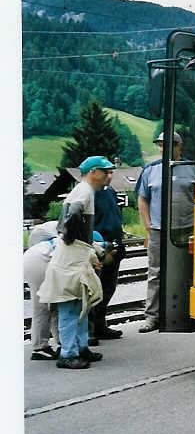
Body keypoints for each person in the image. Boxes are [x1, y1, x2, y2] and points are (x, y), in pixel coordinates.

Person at [37, 156, 110, 369]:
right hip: (71, 257)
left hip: (76, 255)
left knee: (81, 304)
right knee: (71, 305)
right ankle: (68, 353)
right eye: (105, 171)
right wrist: (70, 238)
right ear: (94, 172)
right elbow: (73, 215)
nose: (108, 175)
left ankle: (80, 347)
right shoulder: (85, 190)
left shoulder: (84, 190)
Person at [136, 131, 195, 333]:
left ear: (179, 146)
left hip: (188, 228)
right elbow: (142, 199)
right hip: (159, 229)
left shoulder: (193, 168)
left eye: (168, 145)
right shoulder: (150, 170)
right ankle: (152, 316)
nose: (163, 149)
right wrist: (148, 226)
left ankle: (190, 312)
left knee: (190, 270)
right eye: (160, 145)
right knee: (155, 273)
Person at [89, 167, 125, 343]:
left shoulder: (110, 191)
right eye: (106, 173)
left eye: (112, 173)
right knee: (93, 289)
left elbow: (115, 218)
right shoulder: (89, 193)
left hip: (114, 244)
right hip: (98, 246)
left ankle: (100, 325)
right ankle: (89, 330)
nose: (110, 176)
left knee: (108, 287)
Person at [23, 233, 59, 360]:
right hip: (39, 261)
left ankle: (61, 342)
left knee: (55, 303)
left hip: (36, 257)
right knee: (43, 306)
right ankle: (39, 347)